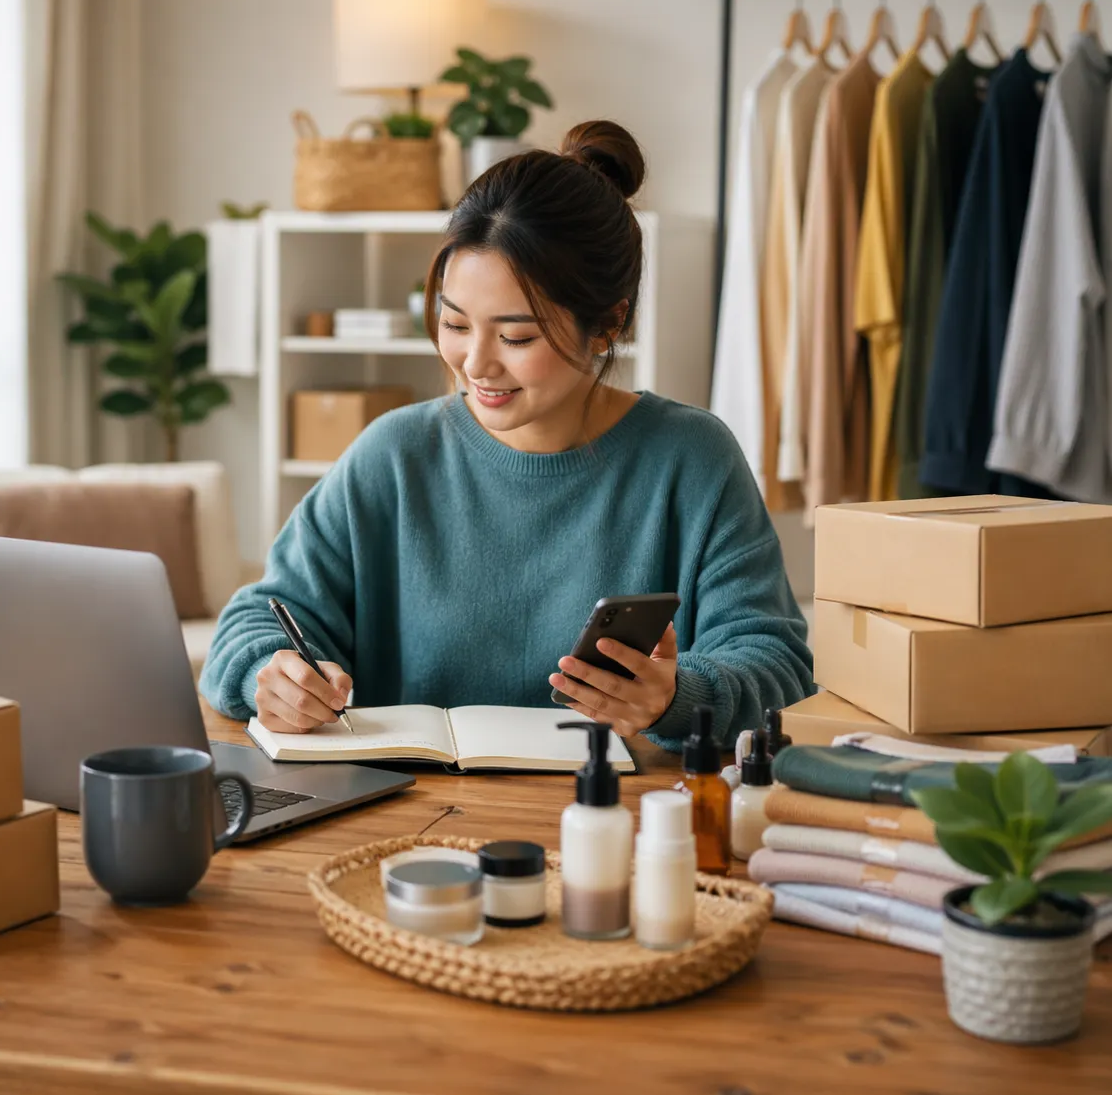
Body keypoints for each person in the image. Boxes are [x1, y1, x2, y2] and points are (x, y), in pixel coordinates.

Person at [201, 120, 813, 748]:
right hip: (405, 820)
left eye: (517, 337)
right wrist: (267, 675)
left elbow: (778, 665)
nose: (475, 364)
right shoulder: (394, 455)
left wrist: (676, 697)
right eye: (455, 323)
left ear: (607, 324)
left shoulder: (691, 460)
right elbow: (254, 621)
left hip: (612, 819)